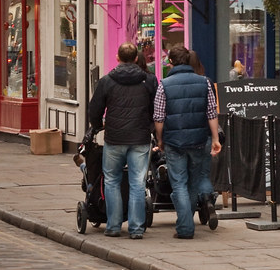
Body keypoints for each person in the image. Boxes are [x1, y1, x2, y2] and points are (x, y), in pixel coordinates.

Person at [87, 42, 158, 239]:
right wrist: (152, 128)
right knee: (137, 183)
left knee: (111, 180)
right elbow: (156, 109)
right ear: (136, 58)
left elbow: (95, 110)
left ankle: (113, 226)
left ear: (117, 58)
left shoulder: (106, 81)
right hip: (140, 138)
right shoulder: (150, 81)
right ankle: (135, 228)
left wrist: (97, 125)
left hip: (114, 138)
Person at [154, 45, 222, 239]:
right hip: (199, 141)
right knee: (192, 184)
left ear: (171, 62)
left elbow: (158, 117)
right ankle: (187, 223)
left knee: (179, 185)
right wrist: (215, 138)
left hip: (174, 143)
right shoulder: (204, 83)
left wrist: (160, 139)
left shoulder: (164, 84)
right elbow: (211, 112)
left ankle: (185, 228)